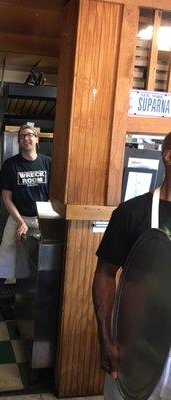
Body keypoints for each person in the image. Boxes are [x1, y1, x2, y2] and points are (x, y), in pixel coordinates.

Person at [92, 132, 171, 400]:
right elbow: (104, 274)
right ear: (168, 156)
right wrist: (106, 338)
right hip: (137, 344)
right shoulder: (130, 213)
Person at [0, 124, 51, 322]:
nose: (26, 139)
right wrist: (21, 222)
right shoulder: (11, 165)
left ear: (37, 139)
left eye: (30, 135)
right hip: (17, 220)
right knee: (2, 264)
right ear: (18, 141)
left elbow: (52, 196)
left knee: (37, 267)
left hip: (42, 221)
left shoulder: (48, 163)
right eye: (22, 136)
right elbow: (7, 198)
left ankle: (30, 308)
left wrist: (46, 221)